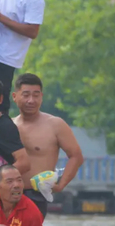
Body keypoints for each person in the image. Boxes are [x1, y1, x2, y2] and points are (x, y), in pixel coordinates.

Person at [12, 73, 84, 217]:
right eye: (26, 95)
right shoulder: (9, 125)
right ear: (15, 96)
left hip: (36, 195)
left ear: (42, 96)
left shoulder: (55, 124)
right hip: (9, 193)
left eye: (36, 95)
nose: (31, 100)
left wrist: (61, 184)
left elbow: (76, 156)